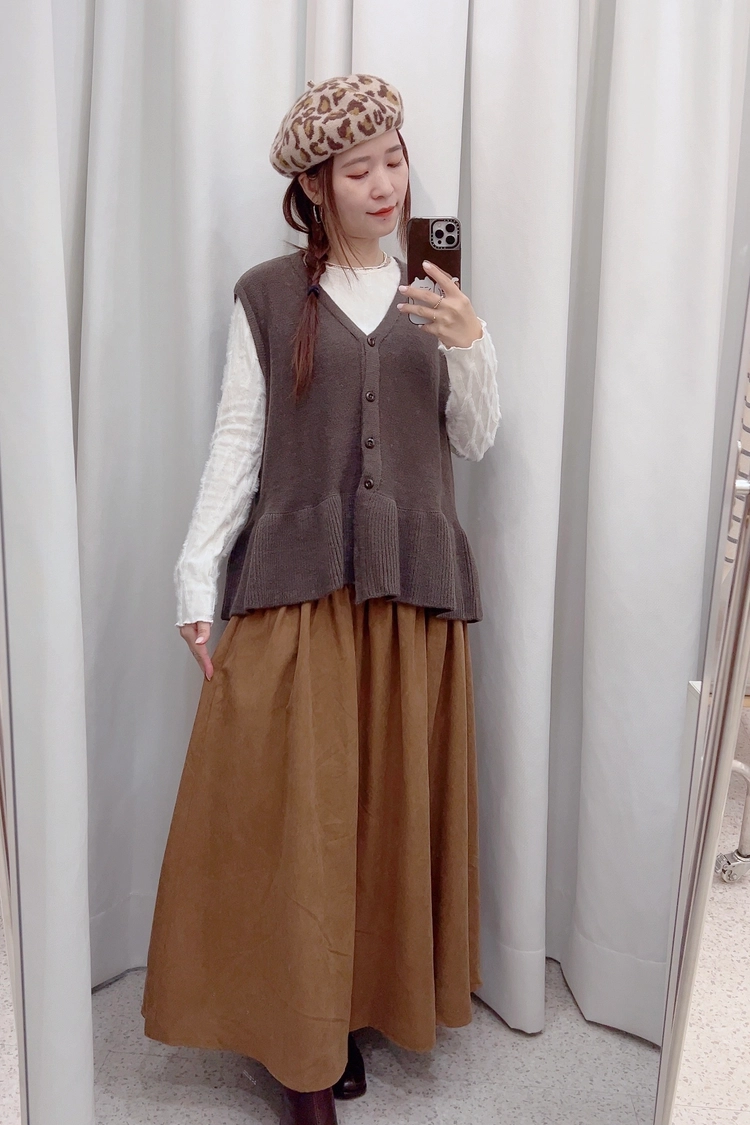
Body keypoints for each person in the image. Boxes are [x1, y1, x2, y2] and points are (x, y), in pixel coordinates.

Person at [140, 73, 501, 1125]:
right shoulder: (266, 296)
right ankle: (302, 1043)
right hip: (303, 589)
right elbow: (239, 442)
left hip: (411, 596)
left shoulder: (435, 290)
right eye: (359, 169)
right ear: (314, 186)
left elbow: (475, 439)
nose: (386, 184)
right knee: (299, 820)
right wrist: (195, 577)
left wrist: (471, 338)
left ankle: (353, 1011)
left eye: (395, 159)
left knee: (382, 814)